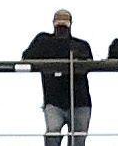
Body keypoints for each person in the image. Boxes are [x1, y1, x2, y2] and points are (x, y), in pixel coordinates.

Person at [24, 14, 98, 146]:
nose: (61, 30)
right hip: (54, 101)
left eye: (64, 26)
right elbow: (26, 58)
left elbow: (88, 65)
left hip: (79, 102)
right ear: (53, 24)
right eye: (59, 26)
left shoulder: (80, 46)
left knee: (78, 140)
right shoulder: (43, 42)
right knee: (53, 132)